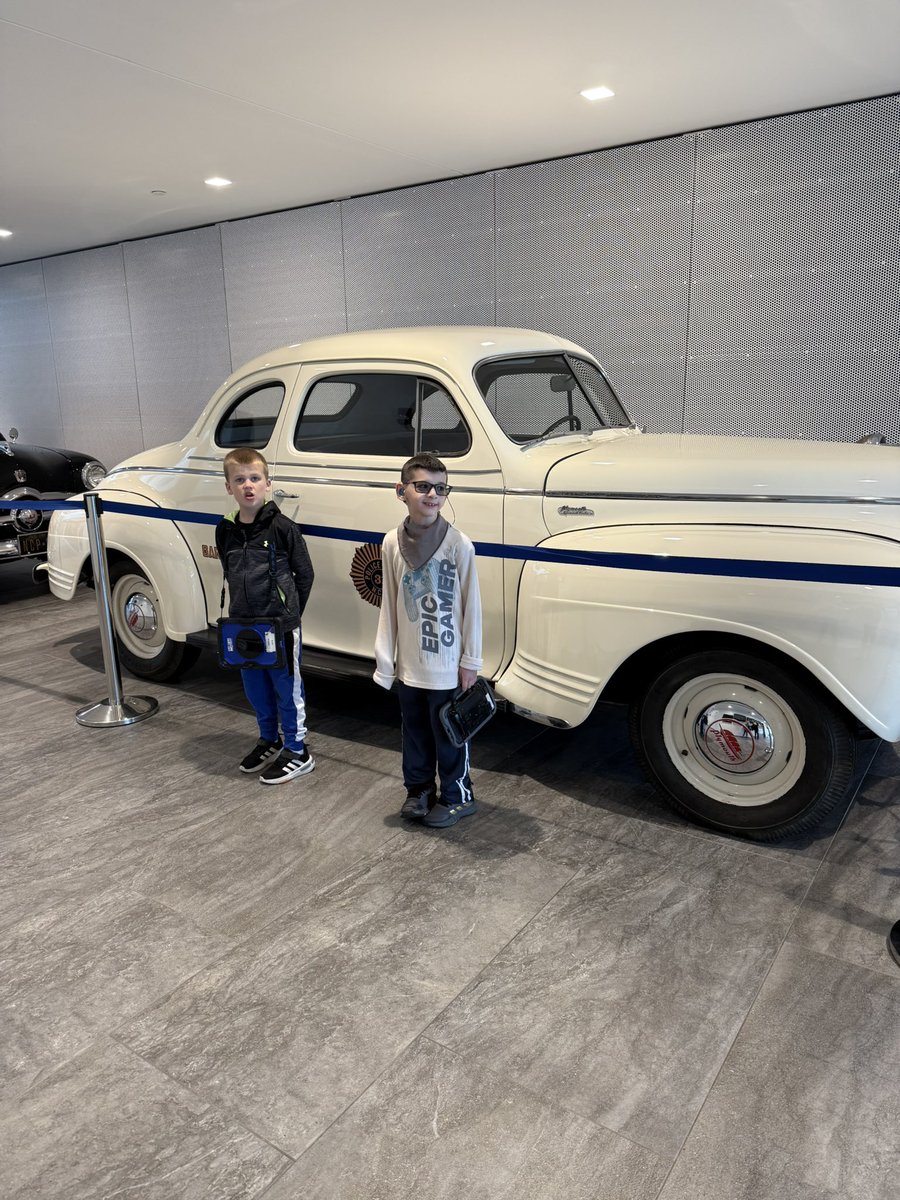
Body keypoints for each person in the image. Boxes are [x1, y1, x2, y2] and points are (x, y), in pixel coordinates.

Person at [374, 451, 483, 827]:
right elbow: (388, 603)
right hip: (411, 663)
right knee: (416, 731)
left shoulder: (458, 545)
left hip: (447, 663)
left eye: (440, 488)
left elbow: (472, 606)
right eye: (422, 486)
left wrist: (471, 660)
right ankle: (419, 790)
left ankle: (457, 795)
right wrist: (386, 660)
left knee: (450, 732)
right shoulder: (391, 543)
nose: (432, 495)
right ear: (401, 490)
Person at [216, 448, 315, 784]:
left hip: (280, 626)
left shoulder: (283, 528)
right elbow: (228, 571)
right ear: (229, 487)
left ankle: (298, 749)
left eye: (255, 479)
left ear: (267, 484)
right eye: (240, 479)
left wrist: (290, 616)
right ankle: (269, 740)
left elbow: (305, 574)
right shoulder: (225, 529)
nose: (248, 486)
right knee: (255, 688)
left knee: (287, 689)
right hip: (244, 627)